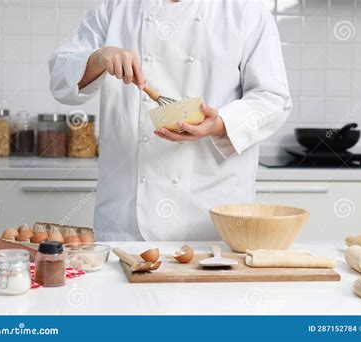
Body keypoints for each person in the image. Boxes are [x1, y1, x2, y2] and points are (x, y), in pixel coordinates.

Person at [49, 0, 291, 241]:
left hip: (213, 214)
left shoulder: (247, 11)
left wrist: (221, 123)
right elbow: (61, 78)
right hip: (126, 223)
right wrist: (100, 57)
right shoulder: (115, 9)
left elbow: (274, 99)